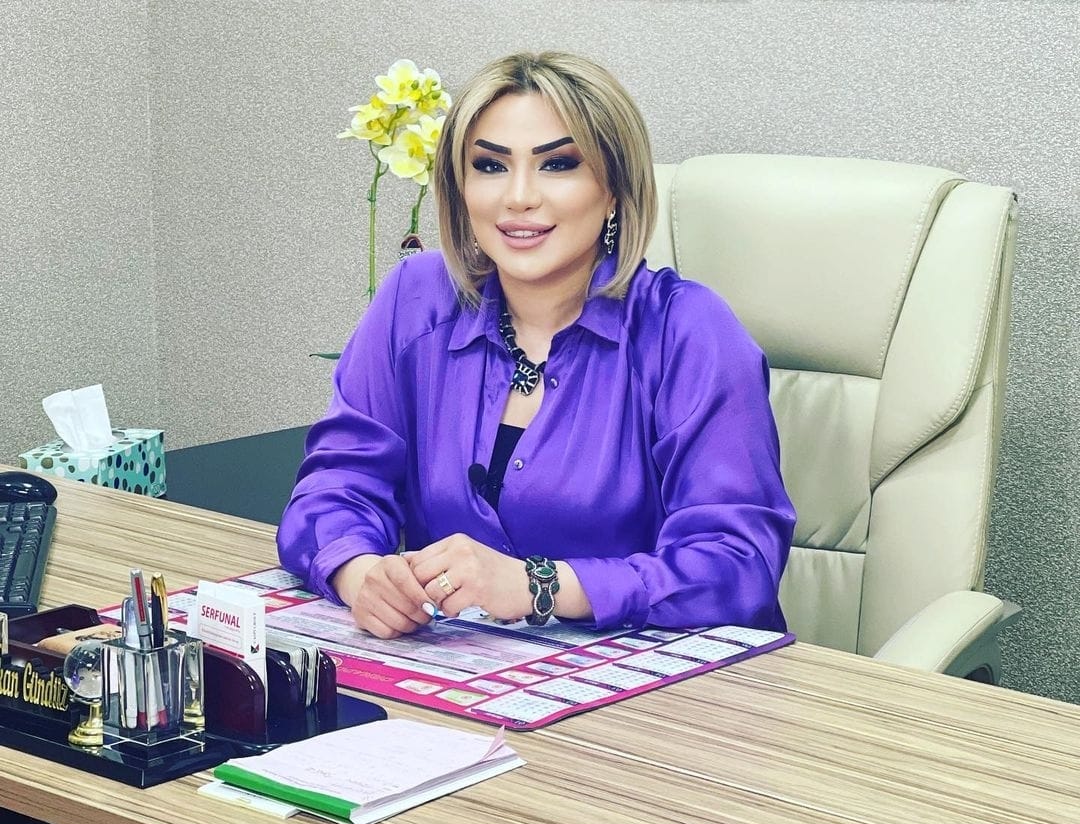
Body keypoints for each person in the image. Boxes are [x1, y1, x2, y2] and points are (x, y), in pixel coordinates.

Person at [277, 51, 795, 639]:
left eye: (557, 164)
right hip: (459, 673)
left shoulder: (689, 331)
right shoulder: (415, 301)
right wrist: (361, 574)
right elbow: (334, 487)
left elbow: (737, 564)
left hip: (655, 681)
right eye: (490, 166)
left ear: (615, 189)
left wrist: (539, 585)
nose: (518, 196)